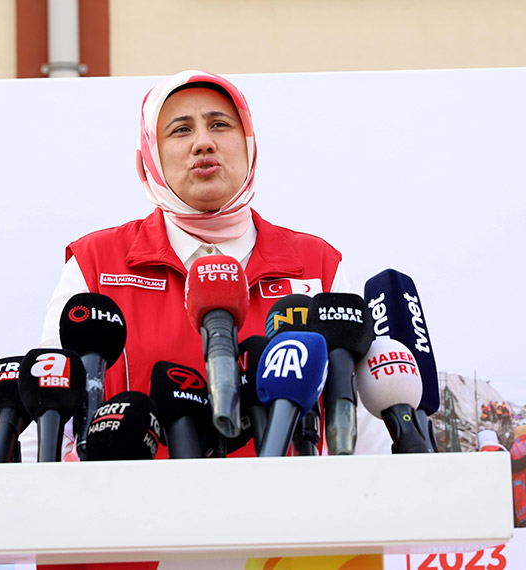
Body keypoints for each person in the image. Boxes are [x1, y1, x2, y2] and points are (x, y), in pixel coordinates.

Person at [38, 70, 383, 457]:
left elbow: (368, 436)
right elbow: (50, 419)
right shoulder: (96, 264)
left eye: (219, 125)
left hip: (294, 511)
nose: (203, 143)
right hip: (135, 512)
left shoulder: (316, 264)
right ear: (150, 154)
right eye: (180, 130)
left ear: (249, 143)